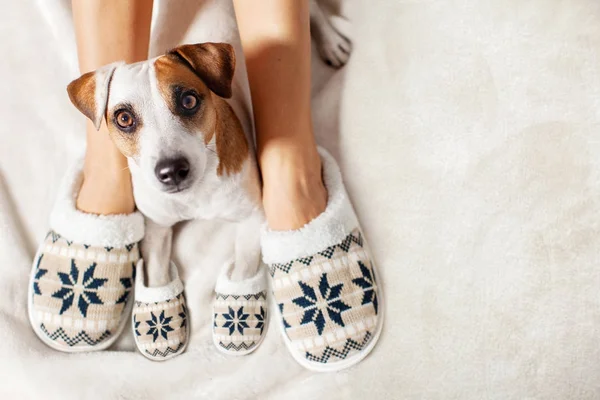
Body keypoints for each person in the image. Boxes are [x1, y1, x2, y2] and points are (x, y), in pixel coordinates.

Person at [28, 0, 382, 371]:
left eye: (188, 101)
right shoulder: (114, 93)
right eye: (125, 118)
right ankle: (106, 170)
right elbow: (156, 226)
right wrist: (157, 275)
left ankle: (286, 169)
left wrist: (245, 268)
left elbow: (250, 217)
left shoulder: (204, 69)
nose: (168, 163)